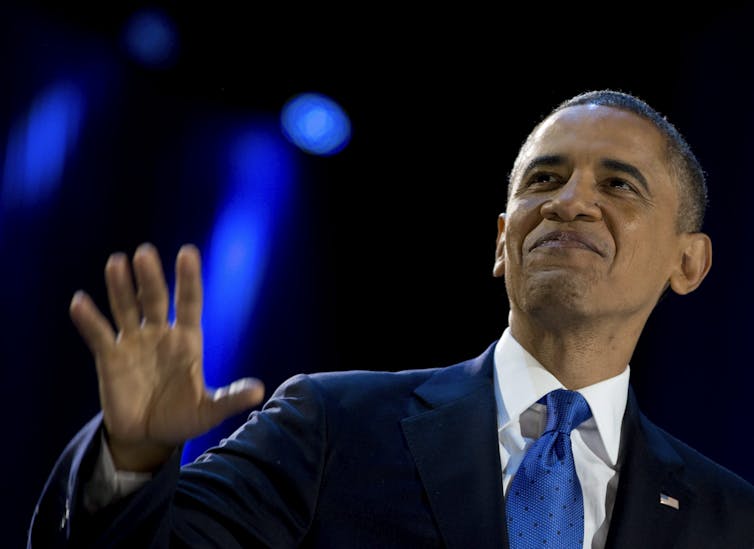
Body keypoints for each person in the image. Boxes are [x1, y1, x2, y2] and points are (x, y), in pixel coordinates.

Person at [28, 89, 754, 548]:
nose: (570, 201)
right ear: (502, 243)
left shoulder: (731, 516)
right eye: (545, 178)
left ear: (688, 263)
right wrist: (132, 461)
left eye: (618, 184)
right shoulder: (330, 423)